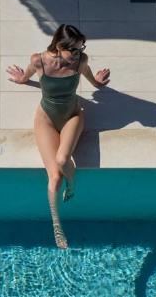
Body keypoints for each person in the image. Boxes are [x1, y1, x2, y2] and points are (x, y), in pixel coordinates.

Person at [6, 24, 110, 249]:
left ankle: (72, 185)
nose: (77, 53)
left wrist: (97, 83)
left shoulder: (80, 60)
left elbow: (89, 76)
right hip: (46, 119)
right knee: (54, 178)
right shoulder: (39, 60)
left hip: (73, 115)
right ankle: (57, 226)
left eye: (80, 48)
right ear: (59, 46)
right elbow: (27, 75)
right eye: (73, 49)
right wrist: (21, 78)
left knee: (63, 161)